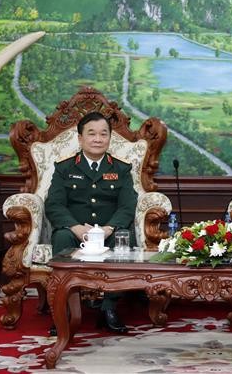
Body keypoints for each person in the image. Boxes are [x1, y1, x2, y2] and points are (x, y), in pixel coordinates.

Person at [45, 111, 138, 334]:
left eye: (103, 134)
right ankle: (64, 310)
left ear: (109, 138)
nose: (98, 139)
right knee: (61, 236)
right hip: (75, 230)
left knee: (124, 237)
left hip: (108, 231)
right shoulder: (64, 168)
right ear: (80, 138)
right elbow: (54, 205)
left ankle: (109, 309)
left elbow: (127, 206)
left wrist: (108, 229)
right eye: (92, 134)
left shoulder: (121, 169)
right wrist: (75, 227)